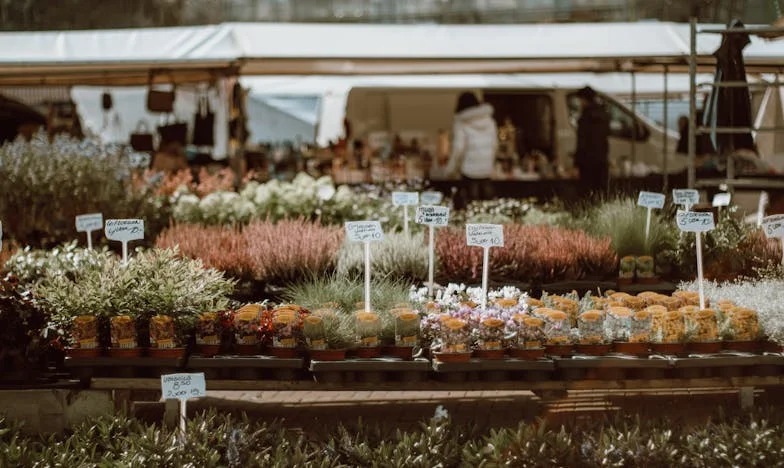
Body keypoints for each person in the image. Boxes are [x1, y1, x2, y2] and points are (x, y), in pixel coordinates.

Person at [445, 91, 498, 210]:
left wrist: (450, 169)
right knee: (486, 208)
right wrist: (490, 164)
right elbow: (495, 145)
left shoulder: (461, 122)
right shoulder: (490, 121)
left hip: (469, 171)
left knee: (469, 207)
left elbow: (458, 148)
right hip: (486, 171)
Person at [573, 86, 611, 196]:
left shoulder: (585, 117)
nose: (579, 103)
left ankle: (587, 212)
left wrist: (576, 163)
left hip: (587, 161)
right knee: (601, 191)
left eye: (580, 100)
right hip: (602, 159)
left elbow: (582, 142)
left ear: (584, 99)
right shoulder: (604, 115)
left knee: (586, 192)